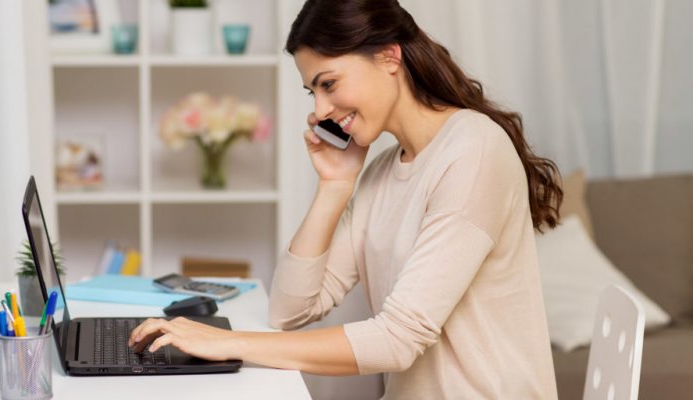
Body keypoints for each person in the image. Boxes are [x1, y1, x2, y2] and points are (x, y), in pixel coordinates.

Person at [129, 0, 563, 397]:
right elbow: (289, 310)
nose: (320, 110)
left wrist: (228, 343)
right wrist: (335, 185)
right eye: (312, 92)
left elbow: (397, 340)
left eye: (329, 83)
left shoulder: (473, 151)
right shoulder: (382, 172)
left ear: (389, 56)